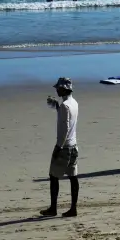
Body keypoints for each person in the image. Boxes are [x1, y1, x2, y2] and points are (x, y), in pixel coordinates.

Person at [41, 77, 79, 217]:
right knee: (73, 177)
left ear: (64, 89)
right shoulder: (73, 103)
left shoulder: (65, 106)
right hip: (74, 145)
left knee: (53, 176)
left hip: (64, 147)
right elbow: (67, 119)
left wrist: (58, 147)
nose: (57, 89)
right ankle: (73, 208)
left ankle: (53, 208)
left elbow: (65, 128)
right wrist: (56, 106)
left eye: (58, 88)